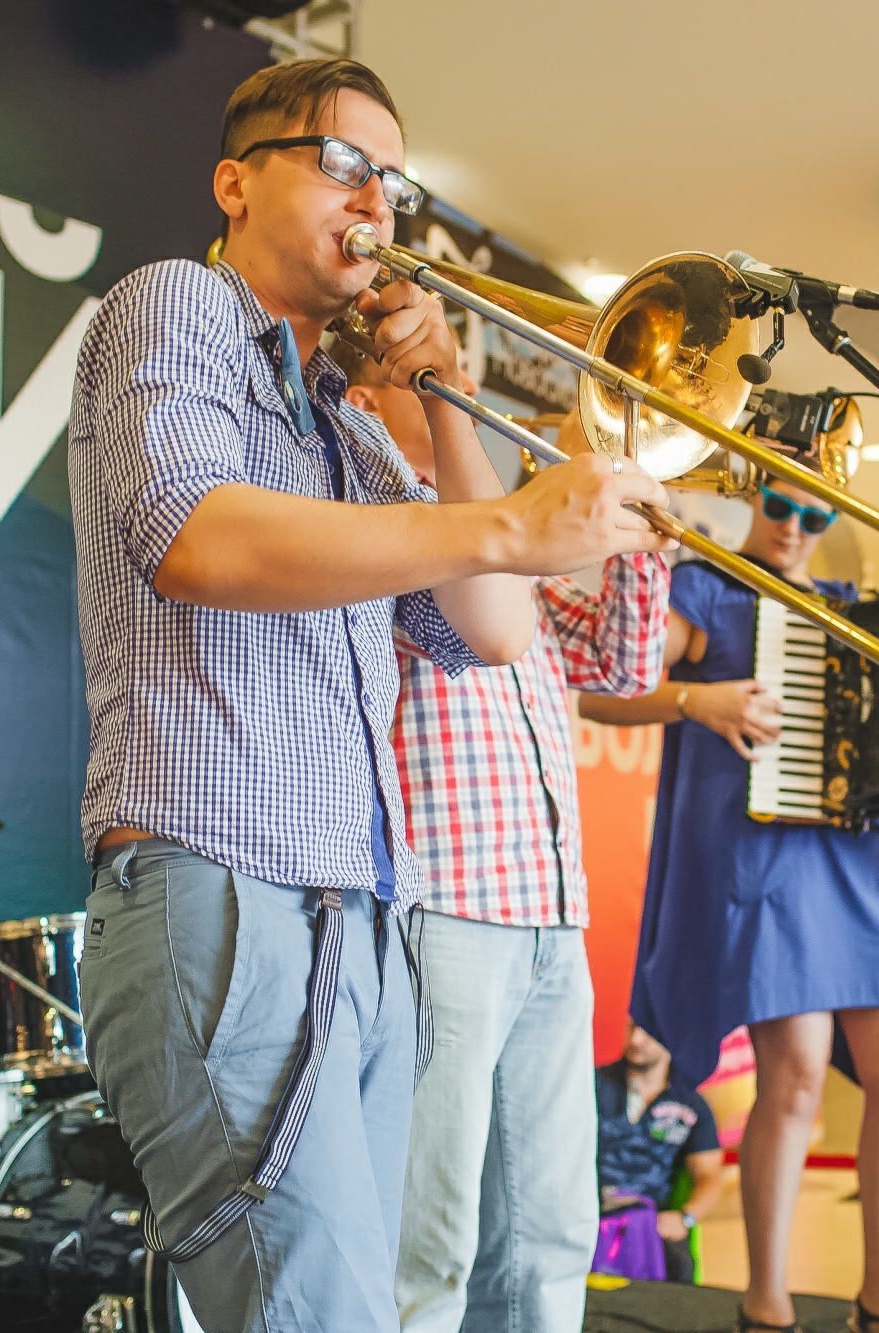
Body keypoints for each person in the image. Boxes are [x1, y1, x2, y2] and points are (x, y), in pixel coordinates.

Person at [67, 56, 670, 1333]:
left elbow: (491, 628)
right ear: (234, 183)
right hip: (220, 882)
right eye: (342, 163)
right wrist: (511, 522)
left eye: (392, 184)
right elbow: (196, 536)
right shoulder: (176, 302)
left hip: (355, 919)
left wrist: (448, 399)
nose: (374, 204)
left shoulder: (343, 427)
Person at [335, 341, 670, 1333]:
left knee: (550, 1232)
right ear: (367, 402)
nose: (464, 394)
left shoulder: (509, 538)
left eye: (462, 381)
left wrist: (637, 529)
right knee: (431, 1239)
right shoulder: (380, 525)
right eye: (430, 382)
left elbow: (621, 664)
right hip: (445, 908)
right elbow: (468, 621)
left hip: (551, 916)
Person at [580, 477, 879, 1333]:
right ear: (754, 496)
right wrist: (696, 699)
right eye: (780, 506)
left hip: (861, 859)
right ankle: (767, 1302)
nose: (795, 528)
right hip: (770, 856)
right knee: (798, 1067)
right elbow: (599, 689)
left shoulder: (861, 611)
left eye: (815, 515)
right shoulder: (707, 586)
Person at [595, 1024, 729, 1285]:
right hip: (592, 1211)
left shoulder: (691, 1105)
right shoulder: (594, 1085)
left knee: (679, 1269)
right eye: (632, 1028)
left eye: (648, 1032)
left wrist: (685, 1218)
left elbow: (710, 1175)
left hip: (652, 1218)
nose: (636, 1040)